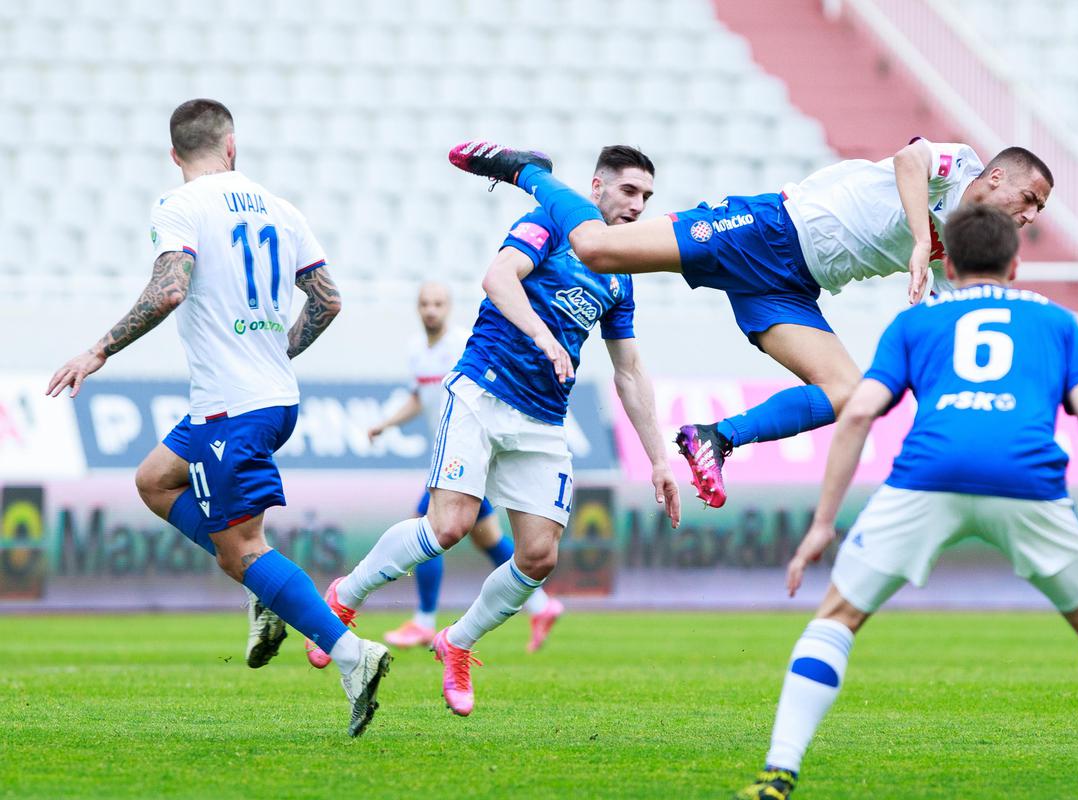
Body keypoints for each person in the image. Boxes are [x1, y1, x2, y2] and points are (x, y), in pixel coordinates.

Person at [730, 204, 1078, 800]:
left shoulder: (916, 324)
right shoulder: (1056, 323)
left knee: (837, 618)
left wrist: (823, 524)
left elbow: (855, 412)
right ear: (1015, 264)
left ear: (948, 263)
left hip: (929, 474)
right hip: (1026, 478)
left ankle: (778, 773)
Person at [448, 139, 1053, 508]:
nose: (1029, 216)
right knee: (602, 249)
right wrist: (922, 240)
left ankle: (715, 438)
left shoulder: (969, 245)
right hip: (770, 228)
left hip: (791, 289)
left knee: (849, 393)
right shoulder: (961, 165)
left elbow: (962, 326)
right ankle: (530, 172)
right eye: (1028, 199)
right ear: (996, 177)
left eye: (1038, 211)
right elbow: (909, 158)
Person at [45, 99, 391, 737]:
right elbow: (328, 300)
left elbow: (171, 288)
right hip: (263, 398)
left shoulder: (180, 206)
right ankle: (266, 590)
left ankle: (352, 655)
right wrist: (274, 351)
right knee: (154, 480)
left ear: (174, 155)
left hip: (234, 406)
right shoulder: (281, 209)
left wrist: (97, 350)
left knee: (241, 552)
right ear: (233, 147)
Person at [315, 146, 681, 716]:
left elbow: (629, 370)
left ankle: (456, 642)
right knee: (450, 526)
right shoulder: (552, 221)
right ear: (597, 187)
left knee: (538, 557)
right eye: (629, 191)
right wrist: (544, 335)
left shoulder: (621, 274)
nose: (638, 206)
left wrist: (658, 458)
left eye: (647, 198)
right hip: (483, 392)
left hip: (543, 418)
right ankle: (345, 596)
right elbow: (498, 278)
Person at [318, 281, 562, 661]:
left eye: (438, 303)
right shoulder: (418, 350)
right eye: (425, 304)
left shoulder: (466, 345)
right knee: (486, 540)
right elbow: (420, 396)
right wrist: (387, 423)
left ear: (448, 307)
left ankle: (425, 618)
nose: (431, 310)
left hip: (474, 453)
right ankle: (541, 604)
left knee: (428, 522)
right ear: (418, 308)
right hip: (453, 455)